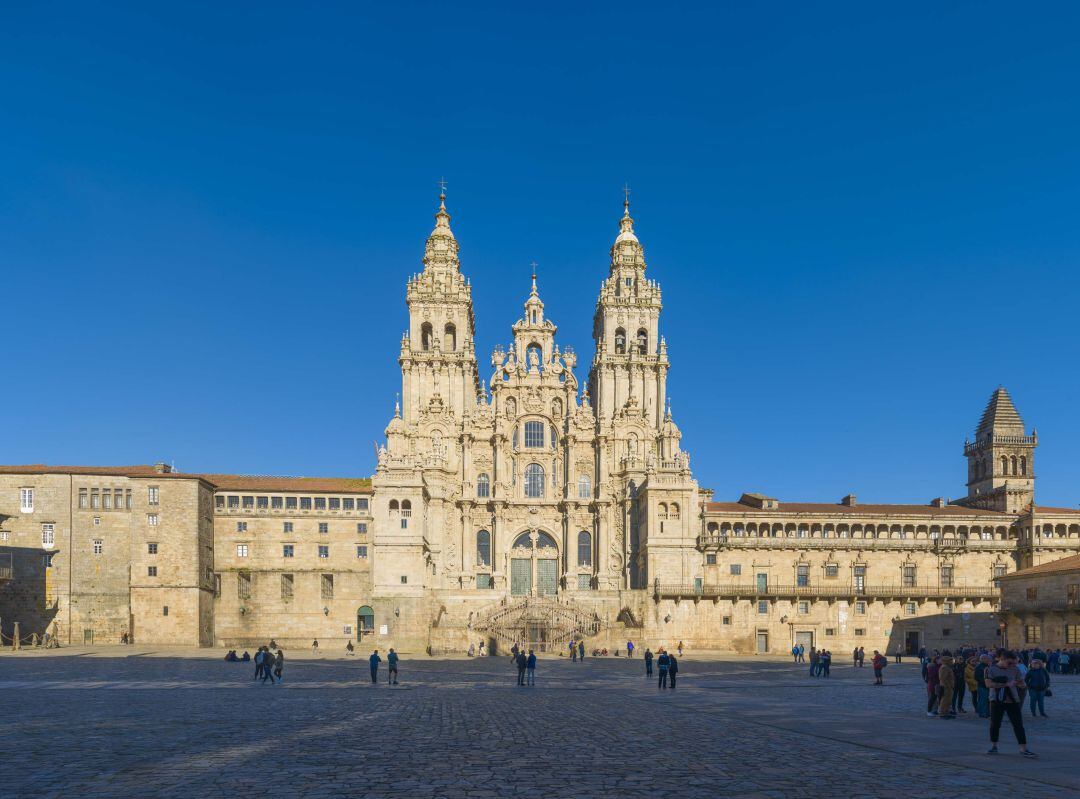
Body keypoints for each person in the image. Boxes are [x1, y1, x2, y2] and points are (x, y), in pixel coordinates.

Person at [986, 650, 1036, 757]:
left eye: (1014, 663)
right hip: (996, 700)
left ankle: (1023, 748)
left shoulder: (1015, 669)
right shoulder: (991, 669)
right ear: (1002, 659)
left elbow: (1021, 683)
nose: (1012, 665)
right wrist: (1006, 684)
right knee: (995, 724)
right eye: (1010, 663)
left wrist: (1022, 684)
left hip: (1013, 700)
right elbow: (988, 684)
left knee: (1018, 724)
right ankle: (994, 746)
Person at [938, 654, 956, 718]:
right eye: (951, 661)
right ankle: (943, 713)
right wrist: (948, 686)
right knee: (945, 700)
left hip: (949, 687)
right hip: (946, 687)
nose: (952, 662)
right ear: (947, 661)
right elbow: (943, 678)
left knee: (948, 700)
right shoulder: (944, 668)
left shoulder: (947, 667)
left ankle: (946, 712)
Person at [974, 653, 991, 718]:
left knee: (985, 700)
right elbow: (977, 677)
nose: (988, 660)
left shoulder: (986, 666)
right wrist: (985, 682)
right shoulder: (979, 667)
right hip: (982, 686)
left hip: (986, 685)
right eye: (987, 659)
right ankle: (982, 713)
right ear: (982, 659)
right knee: (983, 700)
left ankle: (986, 712)